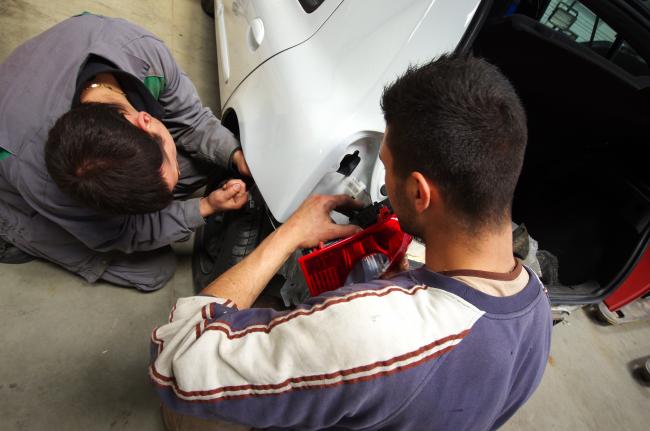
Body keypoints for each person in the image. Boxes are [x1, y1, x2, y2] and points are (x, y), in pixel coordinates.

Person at [149, 54, 552, 430]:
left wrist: (289, 234)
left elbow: (177, 354)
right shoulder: (536, 307)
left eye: (387, 168)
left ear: (418, 192)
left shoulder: (368, 333)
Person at [0, 14, 249, 290]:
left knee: (212, 159)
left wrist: (236, 154)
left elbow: (193, 120)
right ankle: (13, 229)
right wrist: (205, 207)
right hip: (13, 189)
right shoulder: (43, 180)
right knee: (154, 271)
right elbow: (126, 232)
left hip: (42, 77)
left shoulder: (141, 53)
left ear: (144, 121)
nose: (177, 178)